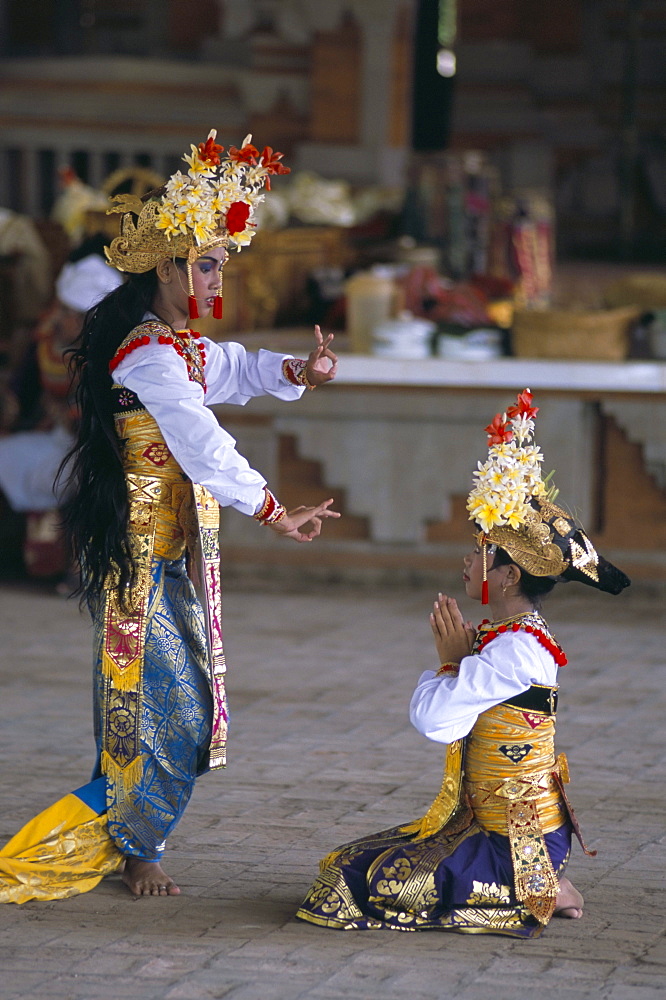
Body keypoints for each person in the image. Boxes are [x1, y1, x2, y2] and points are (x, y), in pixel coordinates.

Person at [0, 131, 340, 904]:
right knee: (162, 709)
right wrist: (274, 509)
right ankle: (132, 844)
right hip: (134, 558)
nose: (219, 276)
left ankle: (133, 838)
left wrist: (298, 371)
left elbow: (239, 366)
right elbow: (202, 442)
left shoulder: (178, 347)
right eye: (210, 262)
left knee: (170, 703)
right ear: (169, 266)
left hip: (166, 555)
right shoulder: (147, 356)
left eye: (223, 262)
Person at [297, 388, 630, 937]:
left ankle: (539, 885)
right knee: (352, 863)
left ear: (509, 575)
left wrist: (452, 665)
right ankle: (544, 881)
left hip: (514, 841)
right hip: (502, 824)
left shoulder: (514, 648)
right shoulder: (511, 634)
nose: (467, 560)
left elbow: (433, 723)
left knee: (351, 880)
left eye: (480, 552)